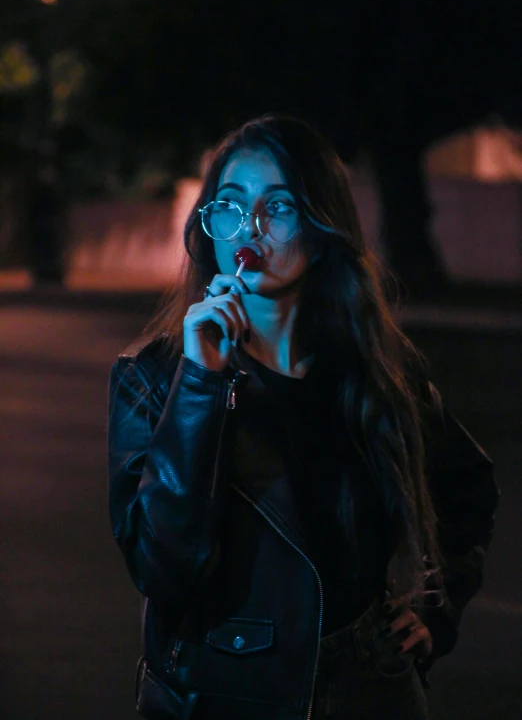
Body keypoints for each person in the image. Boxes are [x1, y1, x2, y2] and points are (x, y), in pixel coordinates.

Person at [107, 114, 500, 720]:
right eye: (230, 207)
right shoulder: (155, 379)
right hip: (230, 695)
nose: (250, 229)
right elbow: (163, 568)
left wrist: (432, 609)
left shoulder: (376, 374)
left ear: (322, 228)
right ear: (208, 227)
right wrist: (201, 385)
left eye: (279, 206)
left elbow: (467, 490)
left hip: (376, 690)